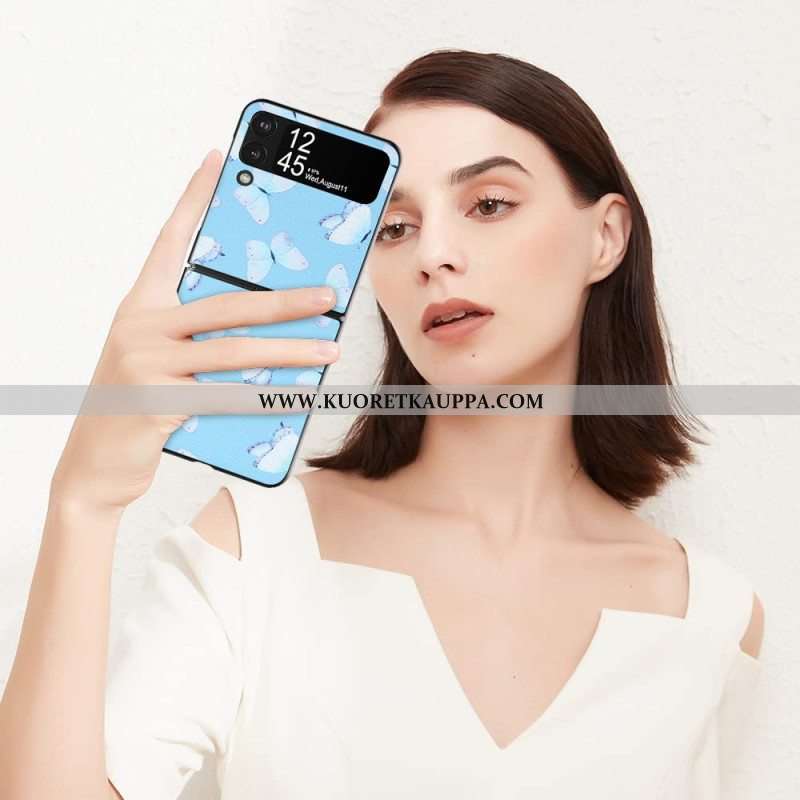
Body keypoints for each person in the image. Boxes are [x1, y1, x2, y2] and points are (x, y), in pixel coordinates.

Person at [0, 49, 764, 800]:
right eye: (395, 227)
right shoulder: (258, 550)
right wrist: (84, 501)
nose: (433, 255)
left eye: (489, 205)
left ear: (606, 237)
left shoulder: (711, 617)